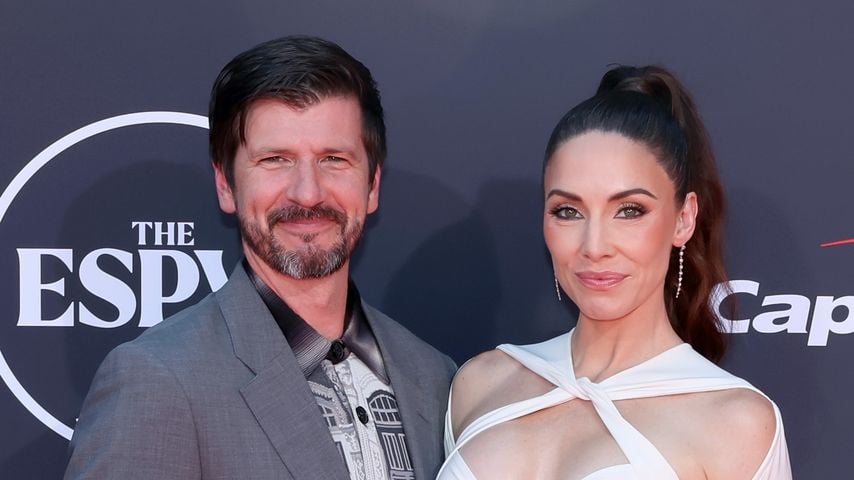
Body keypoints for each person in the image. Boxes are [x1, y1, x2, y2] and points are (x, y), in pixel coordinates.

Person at [65, 35, 456, 480]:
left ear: (372, 186)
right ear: (226, 185)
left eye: (333, 159)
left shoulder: (434, 377)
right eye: (275, 159)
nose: (307, 192)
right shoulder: (159, 381)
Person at [438, 66, 792, 479]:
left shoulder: (737, 424)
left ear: (683, 219)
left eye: (629, 211)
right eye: (568, 211)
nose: (594, 247)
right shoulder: (479, 384)